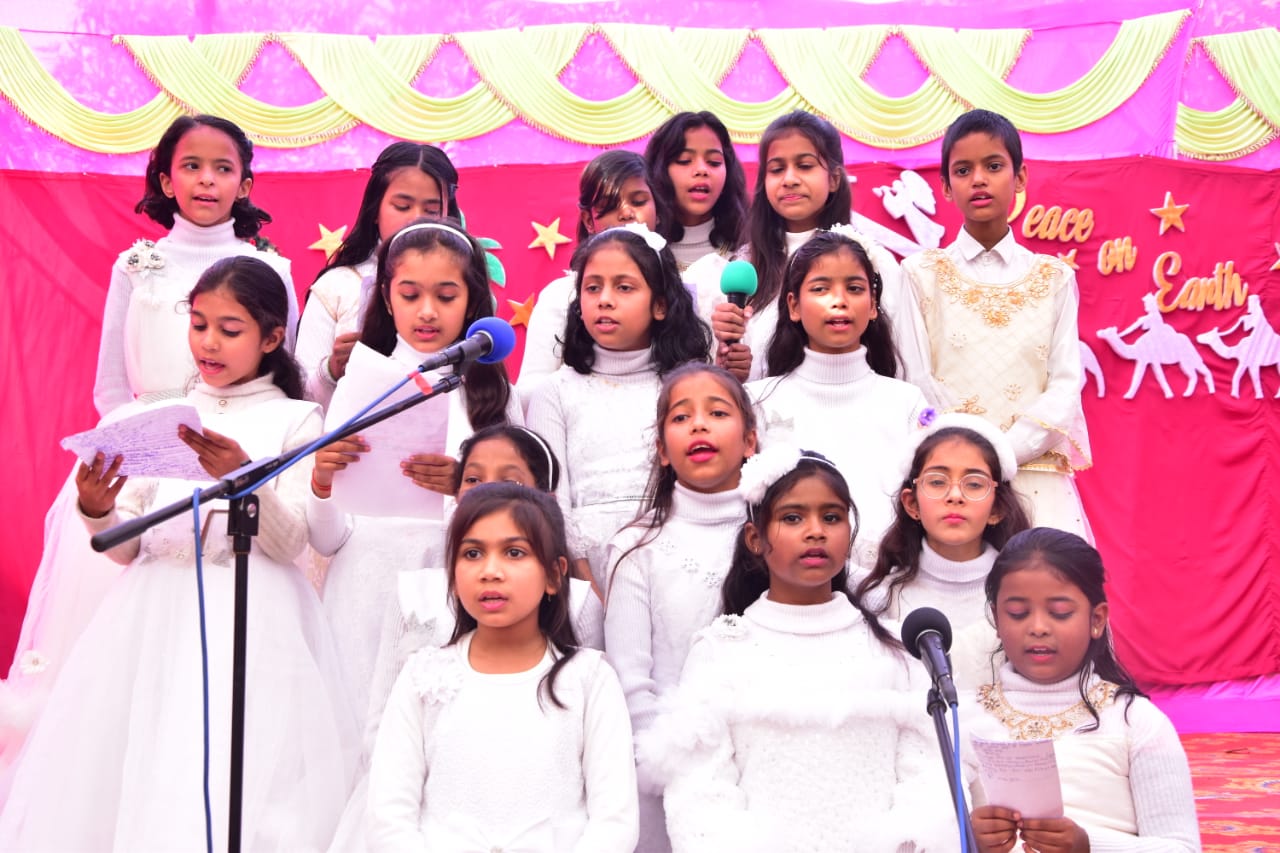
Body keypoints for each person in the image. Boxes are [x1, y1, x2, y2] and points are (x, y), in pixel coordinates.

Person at [0, 257, 356, 850]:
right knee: (141, 749)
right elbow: (131, 543)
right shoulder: (159, 418)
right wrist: (98, 510)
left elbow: (292, 540)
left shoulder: (296, 420)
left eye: (229, 329)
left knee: (225, 757)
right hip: (150, 611)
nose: (208, 343)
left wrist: (243, 477)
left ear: (271, 338)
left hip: (249, 614)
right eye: (198, 324)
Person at [2, 114, 297, 768]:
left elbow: (285, 380)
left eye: (223, 168)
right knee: (117, 654)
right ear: (166, 178)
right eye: (191, 166)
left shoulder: (270, 267)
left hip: (236, 458)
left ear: (246, 183)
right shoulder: (137, 264)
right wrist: (141, 451)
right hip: (146, 464)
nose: (206, 179)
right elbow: (112, 385)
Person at [640, 445, 955, 852]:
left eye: (831, 517)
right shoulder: (722, 649)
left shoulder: (896, 650)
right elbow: (701, 790)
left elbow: (930, 771)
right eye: (792, 517)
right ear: (755, 538)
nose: (816, 531)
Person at [307, 218, 517, 721]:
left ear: (472, 301)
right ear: (386, 295)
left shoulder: (491, 392)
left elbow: (523, 513)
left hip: (452, 582)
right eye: (410, 294)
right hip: (362, 585)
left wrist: (466, 489)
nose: (427, 312)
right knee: (358, 726)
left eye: (446, 296)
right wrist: (320, 483)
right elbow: (325, 539)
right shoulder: (364, 382)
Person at [366, 483, 639, 852]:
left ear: (554, 576)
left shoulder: (589, 679)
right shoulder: (422, 676)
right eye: (473, 553)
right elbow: (389, 816)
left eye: (514, 552)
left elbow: (614, 820)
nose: (490, 571)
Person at [898, 109, 1092, 539]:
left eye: (994, 166)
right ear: (946, 187)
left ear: (1020, 177)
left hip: (1035, 478)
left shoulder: (1054, 278)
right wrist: (966, 459)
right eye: (963, 170)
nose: (979, 179)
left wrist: (1006, 450)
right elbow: (915, 380)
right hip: (950, 483)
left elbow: (1064, 383)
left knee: (1042, 597)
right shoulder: (918, 274)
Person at [968, 527, 1201, 853]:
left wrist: (1089, 846)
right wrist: (964, 839)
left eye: (1059, 613)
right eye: (1018, 613)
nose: (1037, 628)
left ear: (1097, 619)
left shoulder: (1136, 721)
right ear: (996, 618)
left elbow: (1182, 848)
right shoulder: (962, 719)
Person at [603, 362, 757, 853]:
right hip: (671, 783)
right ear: (661, 450)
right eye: (681, 417)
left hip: (765, 767)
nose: (699, 425)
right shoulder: (636, 548)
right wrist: (677, 772)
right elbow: (631, 682)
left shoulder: (779, 537)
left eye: (717, 412)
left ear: (750, 442)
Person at [527, 223, 712, 591]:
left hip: (676, 567)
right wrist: (586, 587)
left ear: (660, 304)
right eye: (592, 287)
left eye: (624, 287)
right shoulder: (555, 392)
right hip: (584, 574)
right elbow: (551, 501)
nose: (604, 299)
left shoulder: (687, 388)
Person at [747, 228, 928, 568]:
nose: (839, 300)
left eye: (854, 288)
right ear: (793, 305)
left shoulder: (906, 403)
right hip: (791, 588)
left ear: (873, 305)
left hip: (892, 582)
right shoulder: (757, 401)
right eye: (821, 288)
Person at [685, 110, 903, 381]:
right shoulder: (743, 269)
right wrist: (729, 360)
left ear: (834, 178)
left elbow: (903, 361)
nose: (789, 179)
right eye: (777, 169)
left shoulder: (873, 262)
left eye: (805, 166)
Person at [857, 412, 1032, 688]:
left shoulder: (1029, 596)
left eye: (974, 484)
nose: (955, 496)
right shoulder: (882, 598)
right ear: (911, 503)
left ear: (997, 508)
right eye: (937, 482)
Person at [295, 142, 461, 409]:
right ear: (375, 210)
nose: (416, 220)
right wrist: (332, 370)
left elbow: (485, 391)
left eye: (431, 210)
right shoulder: (336, 286)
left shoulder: (464, 286)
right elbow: (301, 405)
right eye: (403, 206)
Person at [519, 151, 658, 401]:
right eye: (610, 206)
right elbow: (529, 394)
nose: (626, 213)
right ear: (588, 220)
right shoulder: (561, 294)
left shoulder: (677, 289)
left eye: (638, 202)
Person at [643, 111, 747, 272]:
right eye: (684, 161)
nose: (702, 170)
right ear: (659, 170)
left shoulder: (751, 249)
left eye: (714, 162)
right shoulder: (640, 248)